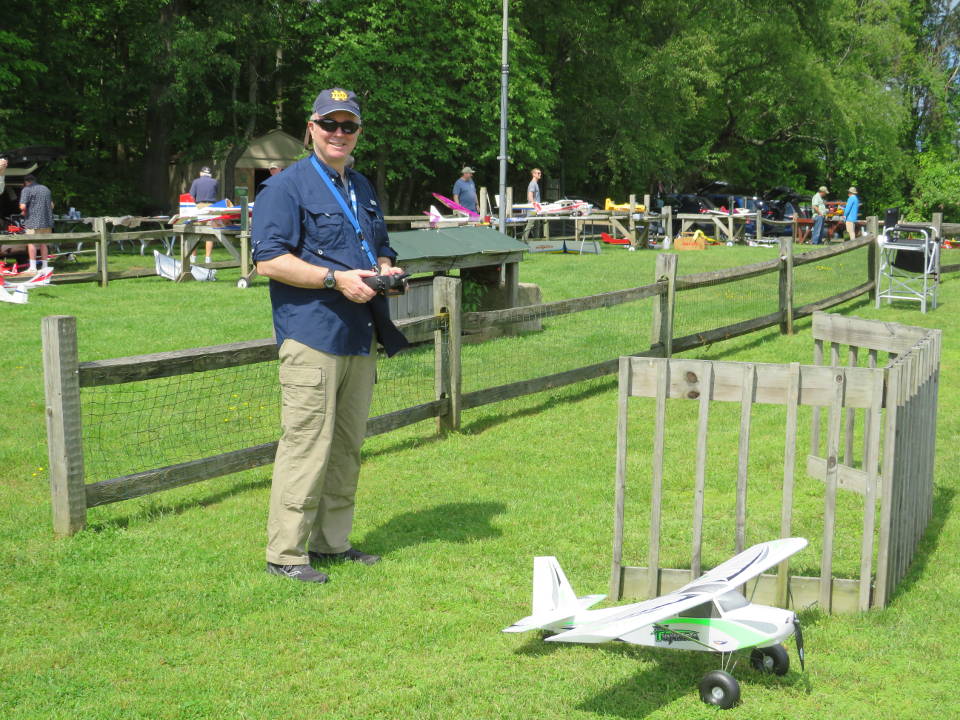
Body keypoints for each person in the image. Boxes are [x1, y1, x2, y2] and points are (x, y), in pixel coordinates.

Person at [252, 87, 409, 584]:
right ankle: (287, 555)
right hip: (313, 334)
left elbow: (378, 245)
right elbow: (268, 261)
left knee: (346, 446)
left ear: (358, 131)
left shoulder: (360, 185)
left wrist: (385, 269)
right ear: (311, 128)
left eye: (349, 126)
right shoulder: (285, 187)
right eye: (330, 124)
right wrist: (333, 278)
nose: (339, 133)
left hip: (361, 334)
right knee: (306, 445)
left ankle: (332, 544)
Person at [19, 174, 54, 275]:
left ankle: (33, 267)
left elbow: (22, 206)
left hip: (33, 221)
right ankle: (44, 266)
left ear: (26, 182)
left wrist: (24, 211)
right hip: (47, 221)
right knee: (44, 243)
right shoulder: (46, 189)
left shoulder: (27, 189)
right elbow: (52, 205)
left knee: (32, 243)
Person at [188, 166, 220, 264]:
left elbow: (191, 196)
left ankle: (193, 257)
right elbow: (216, 193)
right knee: (210, 233)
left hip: (199, 207)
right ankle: (208, 258)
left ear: (201, 173)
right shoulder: (215, 182)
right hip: (211, 207)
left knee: (194, 232)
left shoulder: (196, 182)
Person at [522, 168, 543, 241]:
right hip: (532, 209)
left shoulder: (535, 183)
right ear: (533, 174)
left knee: (537, 226)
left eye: (540, 173)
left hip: (536, 209)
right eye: (538, 173)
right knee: (530, 225)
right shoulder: (532, 184)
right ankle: (523, 241)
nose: (540, 174)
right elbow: (530, 196)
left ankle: (536, 243)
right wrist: (535, 204)